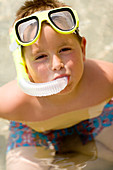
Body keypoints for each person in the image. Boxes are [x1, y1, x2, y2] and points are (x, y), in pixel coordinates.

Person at [0, 0, 113, 169]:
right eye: (40, 57)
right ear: (23, 66)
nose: (57, 64)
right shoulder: (12, 102)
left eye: (65, 50)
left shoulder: (105, 80)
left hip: (96, 119)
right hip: (34, 133)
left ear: (82, 49)